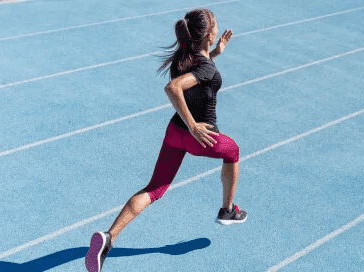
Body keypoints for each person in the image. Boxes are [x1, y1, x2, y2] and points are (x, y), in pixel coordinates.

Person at [85, 8, 245, 272]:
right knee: (233, 151)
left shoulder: (184, 58)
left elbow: (198, 75)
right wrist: (194, 126)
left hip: (174, 133)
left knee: (155, 188)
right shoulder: (202, 66)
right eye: (215, 25)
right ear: (208, 34)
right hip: (200, 137)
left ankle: (108, 238)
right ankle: (228, 210)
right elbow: (174, 88)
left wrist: (215, 53)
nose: (218, 28)